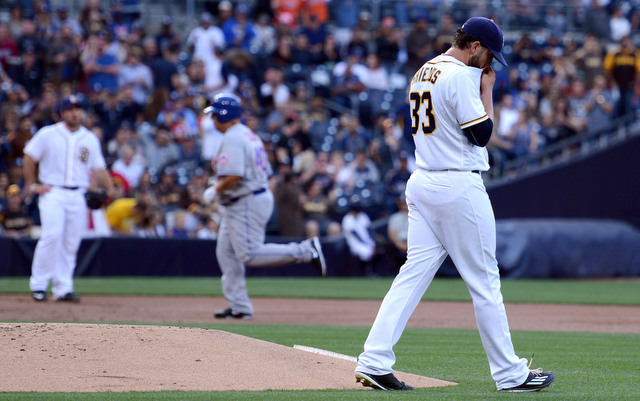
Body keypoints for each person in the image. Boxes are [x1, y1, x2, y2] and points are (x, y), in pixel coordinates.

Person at [354, 17, 555, 392]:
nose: (490, 65)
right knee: (484, 281)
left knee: (411, 276)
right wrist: (488, 92)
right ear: (474, 46)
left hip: (424, 180)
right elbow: (481, 134)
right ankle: (511, 375)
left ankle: (374, 360)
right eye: (489, 55)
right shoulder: (462, 75)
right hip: (457, 183)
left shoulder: (423, 69)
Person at [202, 93, 326, 320]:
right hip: (247, 198)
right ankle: (239, 306)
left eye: (215, 115)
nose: (212, 120)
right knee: (226, 252)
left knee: (248, 254)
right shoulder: (247, 134)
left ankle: (306, 251)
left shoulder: (234, 137)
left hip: (246, 200)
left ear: (225, 116)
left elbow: (234, 176)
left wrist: (214, 190)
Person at [23, 95, 114, 303]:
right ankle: (38, 285)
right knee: (52, 236)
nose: (75, 112)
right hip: (53, 191)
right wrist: (32, 184)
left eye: (78, 108)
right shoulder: (48, 134)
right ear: (62, 112)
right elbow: (29, 156)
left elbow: (98, 168)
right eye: (70, 109)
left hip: (79, 194)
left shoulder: (89, 138)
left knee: (71, 242)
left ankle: (63, 288)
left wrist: (109, 188)